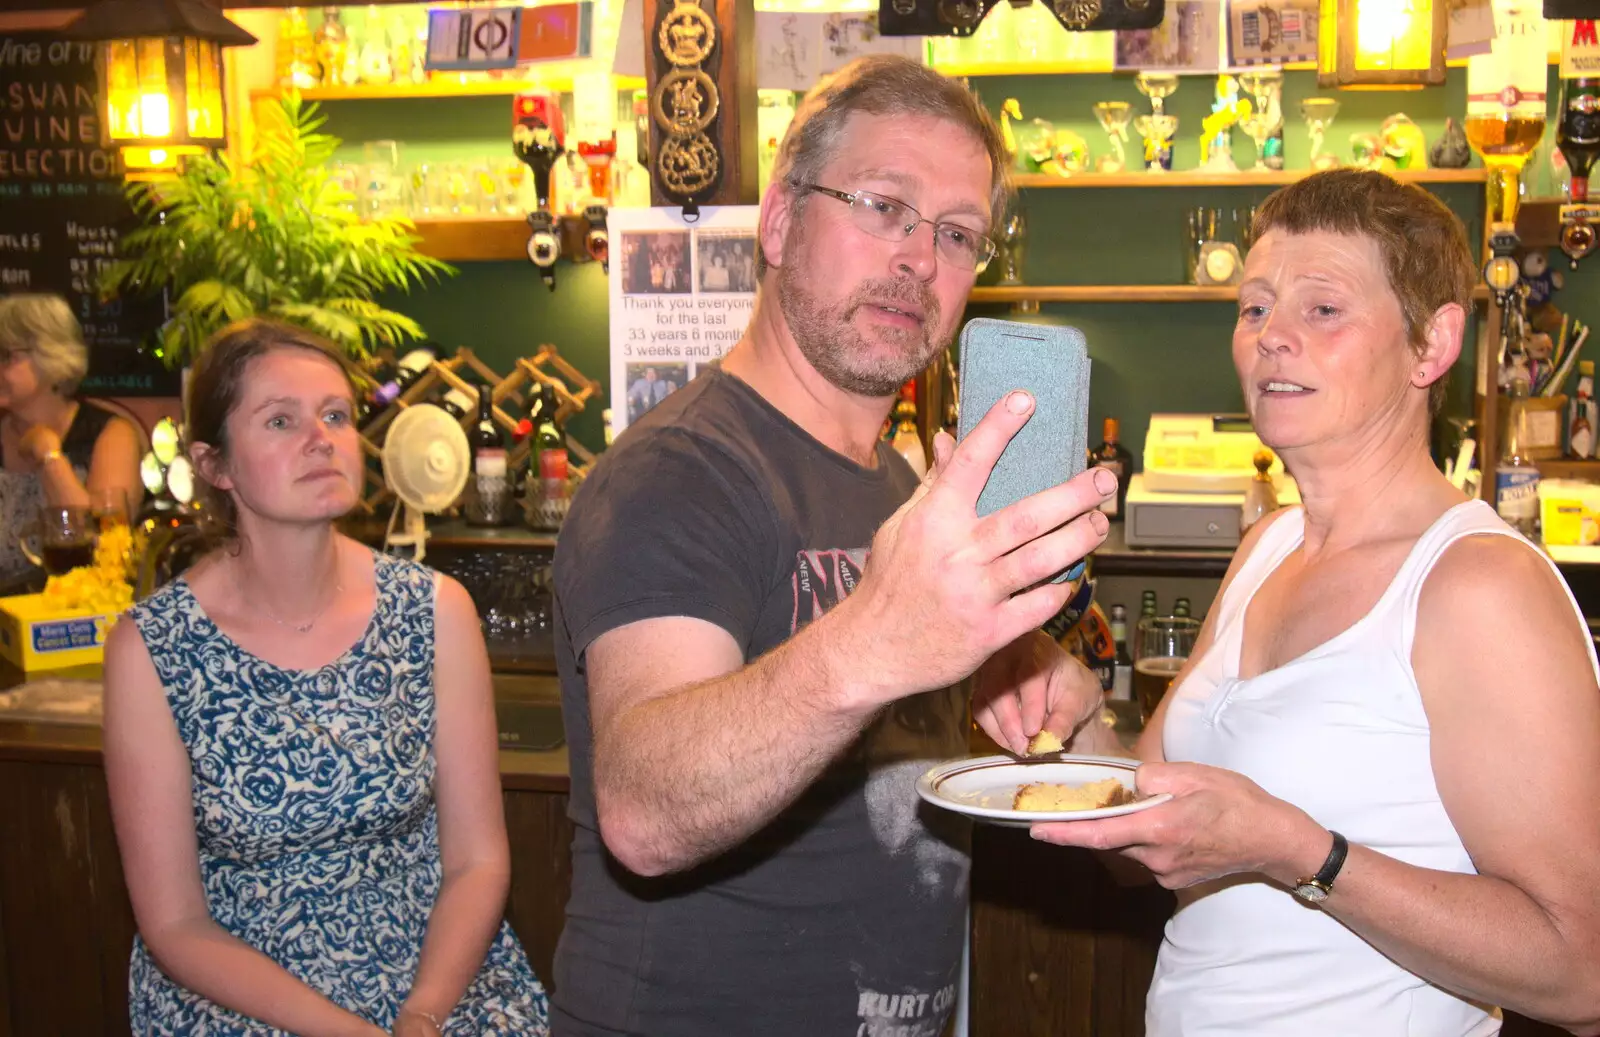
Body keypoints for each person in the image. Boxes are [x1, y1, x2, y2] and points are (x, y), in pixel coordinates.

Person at [550, 54, 1115, 1036]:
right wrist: (879, 637)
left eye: (955, 234)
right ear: (778, 221)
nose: (917, 260)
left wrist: (1027, 682)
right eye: (882, 206)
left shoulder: (901, 489)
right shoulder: (678, 473)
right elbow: (642, 808)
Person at [981, 170, 1600, 1035]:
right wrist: (1079, 727)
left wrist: (1302, 852)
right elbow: (1152, 829)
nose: (1272, 337)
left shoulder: (1478, 585)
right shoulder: (1265, 546)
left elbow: (1580, 972)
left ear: (1433, 344)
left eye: (1323, 309)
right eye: (1255, 307)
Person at [102, 319, 550, 1037]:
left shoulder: (435, 610)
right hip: (239, 993)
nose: (321, 438)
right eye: (281, 420)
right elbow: (176, 920)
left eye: (335, 415)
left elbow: (477, 860)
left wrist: (423, 1015)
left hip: (434, 975)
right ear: (214, 464)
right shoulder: (151, 648)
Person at [0, 294, 144, 584]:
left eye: (6, 356)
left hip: (77, 620)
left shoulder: (110, 435)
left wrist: (50, 456)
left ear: (50, 355)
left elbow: (103, 550)